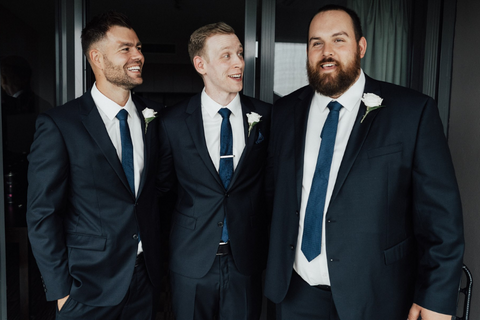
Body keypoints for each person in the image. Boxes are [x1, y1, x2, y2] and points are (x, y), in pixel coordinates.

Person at [264, 4, 464, 320]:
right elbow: (272, 198)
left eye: (338, 40)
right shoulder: (284, 113)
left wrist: (435, 298)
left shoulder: (411, 113)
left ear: (361, 47)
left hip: (378, 297)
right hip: (295, 295)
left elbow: (440, 217)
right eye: (316, 43)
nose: (326, 52)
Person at [26, 11, 163, 319]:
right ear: (97, 57)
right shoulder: (60, 124)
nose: (138, 55)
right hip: (87, 288)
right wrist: (60, 290)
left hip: (145, 282)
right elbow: (42, 214)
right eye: (125, 48)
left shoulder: (153, 119)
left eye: (138, 47)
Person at [157, 22, 271, 320]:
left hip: (245, 260)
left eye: (240, 53)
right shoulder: (172, 123)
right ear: (200, 64)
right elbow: (164, 191)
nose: (238, 62)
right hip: (190, 262)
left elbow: (271, 186)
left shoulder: (267, 116)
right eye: (226, 55)